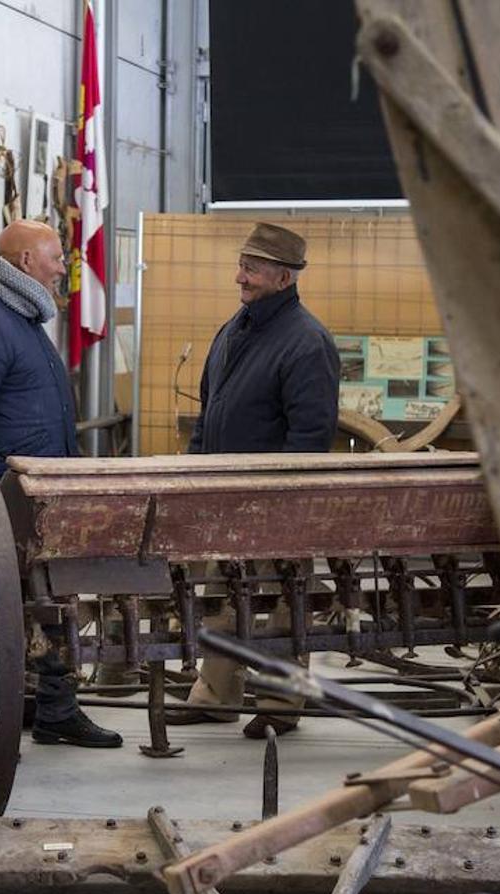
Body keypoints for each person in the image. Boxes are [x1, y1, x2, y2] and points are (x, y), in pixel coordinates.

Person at [0, 219, 122, 749]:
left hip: (44, 499)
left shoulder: (22, 315)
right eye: (57, 257)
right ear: (24, 263)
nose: (65, 265)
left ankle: (57, 711)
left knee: (53, 603)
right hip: (5, 500)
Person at [171, 222, 341, 738]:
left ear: (284, 278)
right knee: (223, 595)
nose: (239, 276)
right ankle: (217, 694)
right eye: (242, 264)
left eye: (251, 268)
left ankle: (280, 704)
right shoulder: (234, 330)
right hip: (226, 495)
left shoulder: (307, 343)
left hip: (275, 503)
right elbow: (209, 410)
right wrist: (197, 472)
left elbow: (311, 435)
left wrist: (280, 503)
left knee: (280, 602)